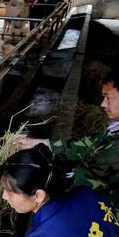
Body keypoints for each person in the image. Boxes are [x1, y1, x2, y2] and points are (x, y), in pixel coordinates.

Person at [19, 67, 119, 208]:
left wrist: (35, 182)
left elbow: (87, 179)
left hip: (108, 216)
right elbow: (87, 144)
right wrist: (42, 143)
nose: (102, 104)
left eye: (108, 97)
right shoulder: (115, 127)